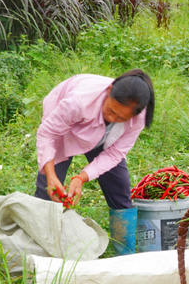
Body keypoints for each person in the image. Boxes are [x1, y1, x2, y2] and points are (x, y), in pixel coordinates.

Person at [34, 69, 154, 255]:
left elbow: (114, 154)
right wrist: (50, 175)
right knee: (47, 193)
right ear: (109, 90)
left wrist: (81, 178)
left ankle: (125, 254)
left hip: (103, 136)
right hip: (65, 126)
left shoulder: (138, 116)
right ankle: (40, 253)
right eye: (111, 111)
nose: (113, 118)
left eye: (122, 118)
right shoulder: (79, 102)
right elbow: (48, 133)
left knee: (120, 188)